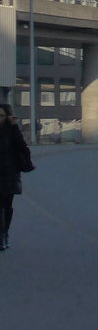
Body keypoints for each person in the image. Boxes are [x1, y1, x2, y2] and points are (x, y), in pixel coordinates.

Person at [0, 102, 35, 251]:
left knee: (7, 207)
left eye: (1, 116)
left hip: (10, 175)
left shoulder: (12, 131)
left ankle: (4, 233)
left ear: (7, 116)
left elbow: (23, 148)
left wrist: (15, 127)